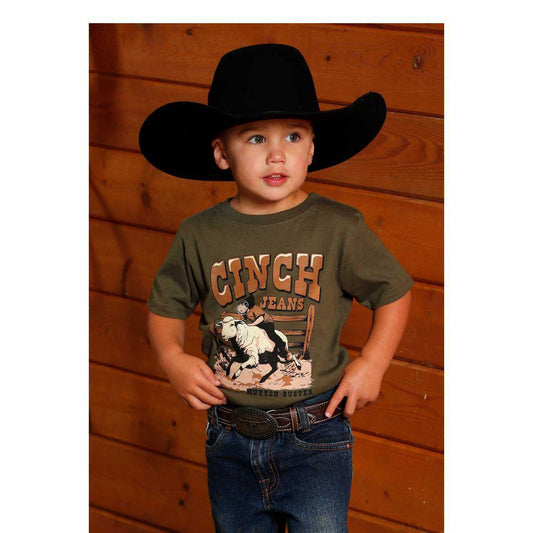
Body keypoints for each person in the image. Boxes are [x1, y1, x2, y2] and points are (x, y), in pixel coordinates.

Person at [140, 43, 413, 533]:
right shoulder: (199, 235)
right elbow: (166, 306)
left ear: (312, 148)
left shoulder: (339, 228)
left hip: (315, 435)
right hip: (229, 437)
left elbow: (393, 291)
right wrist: (172, 358)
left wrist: (373, 363)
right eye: (254, 138)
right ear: (221, 153)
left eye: (293, 135)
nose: (276, 153)